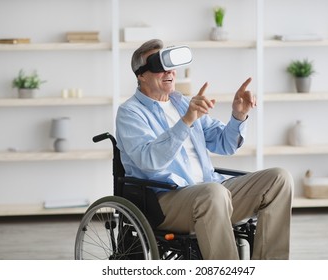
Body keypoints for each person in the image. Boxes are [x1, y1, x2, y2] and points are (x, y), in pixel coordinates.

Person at [116, 39, 293, 260]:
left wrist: (238, 115)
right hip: (165, 200)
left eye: (171, 66)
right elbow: (149, 160)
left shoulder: (182, 102)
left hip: (213, 192)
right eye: (159, 66)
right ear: (141, 74)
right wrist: (187, 121)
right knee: (213, 192)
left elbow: (224, 143)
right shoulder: (130, 113)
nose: (169, 72)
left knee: (279, 179)